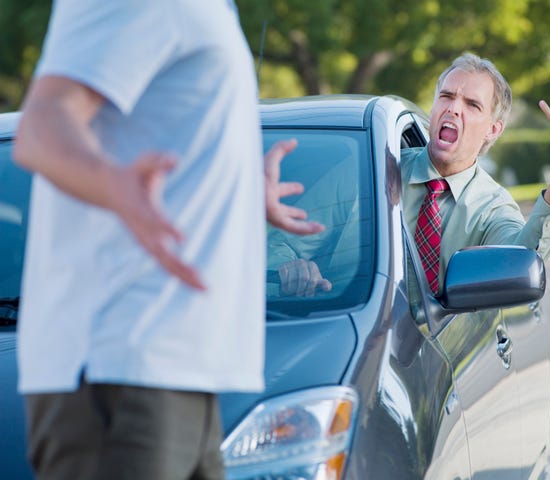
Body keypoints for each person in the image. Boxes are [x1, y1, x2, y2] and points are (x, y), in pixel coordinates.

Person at [12, 1, 322, 480]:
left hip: (182, 369)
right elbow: (40, 125)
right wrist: (113, 183)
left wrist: (237, 189)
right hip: (121, 366)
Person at [401, 52, 550, 293]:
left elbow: (522, 260)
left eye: (472, 104)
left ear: (492, 129)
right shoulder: (383, 170)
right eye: (446, 96)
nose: (453, 108)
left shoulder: (492, 207)